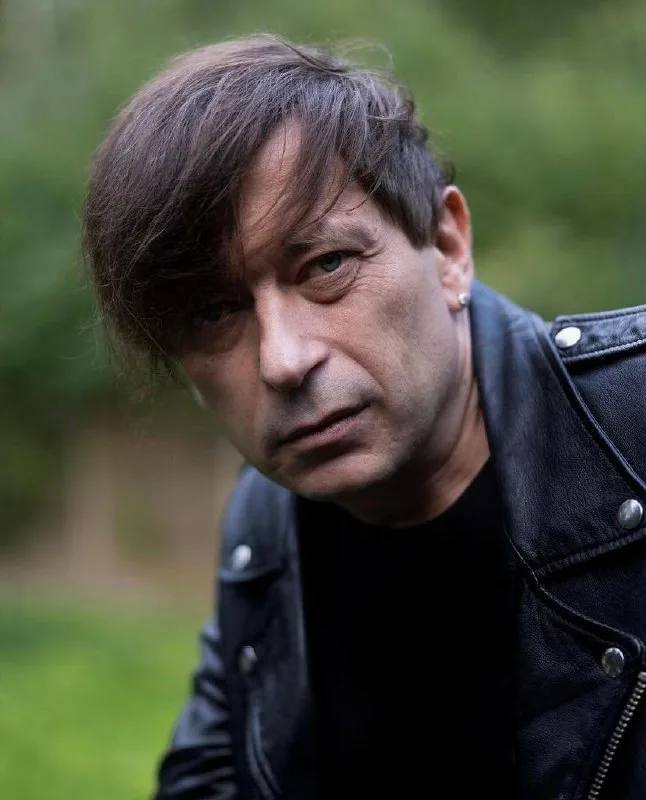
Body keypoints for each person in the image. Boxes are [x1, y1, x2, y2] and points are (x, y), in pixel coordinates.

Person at [82, 35, 646, 800]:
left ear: (447, 247)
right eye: (215, 311)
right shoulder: (265, 523)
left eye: (326, 266)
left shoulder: (631, 425)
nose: (284, 361)